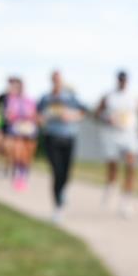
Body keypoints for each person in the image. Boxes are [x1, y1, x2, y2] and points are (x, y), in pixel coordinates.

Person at [97, 70, 138, 218]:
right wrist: (106, 119)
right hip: (112, 135)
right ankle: (110, 185)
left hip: (129, 135)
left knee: (131, 166)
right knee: (113, 166)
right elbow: (97, 113)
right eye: (120, 80)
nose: (122, 82)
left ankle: (126, 201)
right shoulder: (109, 96)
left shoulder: (135, 96)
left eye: (124, 80)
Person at [37, 70, 87, 222]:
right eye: (54, 80)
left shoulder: (70, 97)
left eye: (59, 80)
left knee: (66, 173)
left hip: (68, 137)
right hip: (51, 137)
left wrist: (72, 116)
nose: (57, 82)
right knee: (56, 171)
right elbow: (37, 115)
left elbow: (83, 111)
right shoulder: (46, 98)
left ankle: (62, 191)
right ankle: (57, 206)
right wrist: (42, 120)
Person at [3, 77, 39, 191]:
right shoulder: (11, 100)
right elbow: (9, 115)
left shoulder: (30, 100)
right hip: (17, 130)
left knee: (27, 155)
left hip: (29, 130)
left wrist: (29, 119)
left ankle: (24, 175)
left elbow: (34, 115)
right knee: (17, 152)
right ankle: (18, 174)